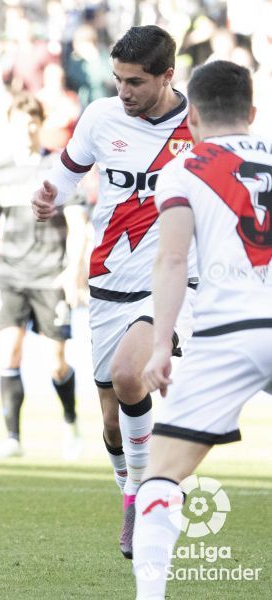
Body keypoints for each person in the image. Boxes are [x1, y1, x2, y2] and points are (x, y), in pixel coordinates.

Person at [31, 25, 198, 559]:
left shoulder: (200, 128)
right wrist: (49, 196)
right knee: (110, 416)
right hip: (107, 279)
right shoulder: (102, 117)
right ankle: (131, 487)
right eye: (118, 80)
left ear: (168, 76)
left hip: (172, 281)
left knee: (130, 375)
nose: (123, 92)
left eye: (135, 82)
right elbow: (67, 173)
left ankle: (142, 497)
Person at [132, 60, 271, 600]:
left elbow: (170, 262)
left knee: (162, 478)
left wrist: (161, 346)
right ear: (253, 114)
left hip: (227, 332)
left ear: (190, 120)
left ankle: (151, 596)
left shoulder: (184, 169)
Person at [0, 93, 87, 461]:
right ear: (9, 125)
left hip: (49, 276)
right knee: (9, 350)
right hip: (10, 275)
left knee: (56, 361)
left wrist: (73, 272)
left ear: (42, 123)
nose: (27, 129)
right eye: (20, 122)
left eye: (33, 121)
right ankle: (13, 438)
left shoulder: (60, 168)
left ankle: (71, 422)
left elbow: (78, 226)